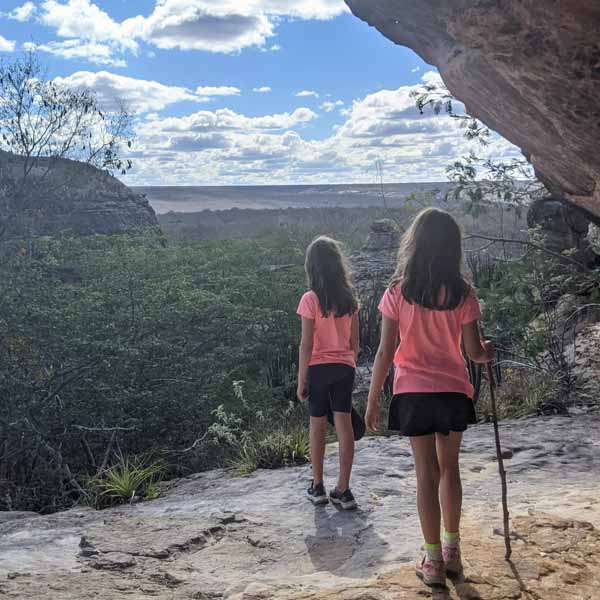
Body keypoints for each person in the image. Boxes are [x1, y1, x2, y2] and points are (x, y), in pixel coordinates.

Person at [365, 208, 494, 587]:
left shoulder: (398, 292)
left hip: (413, 392)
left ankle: (433, 559)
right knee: (450, 468)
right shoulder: (463, 293)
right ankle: (453, 550)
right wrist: (487, 349)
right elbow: (474, 352)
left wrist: (373, 399)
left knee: (426, 473)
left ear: (414, 245)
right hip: (453, 390)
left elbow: (385, 352)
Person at [297, 236, 360, 510]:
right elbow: (355, 343)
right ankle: (343, 489)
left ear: (312, 266)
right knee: (343, 424)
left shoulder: (310, 299)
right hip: (344, 367)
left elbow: (306, 344)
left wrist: (302, 378)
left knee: (317, 425)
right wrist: (347, 362)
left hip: (318, 368)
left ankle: (318, 485)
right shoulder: (350, 299)